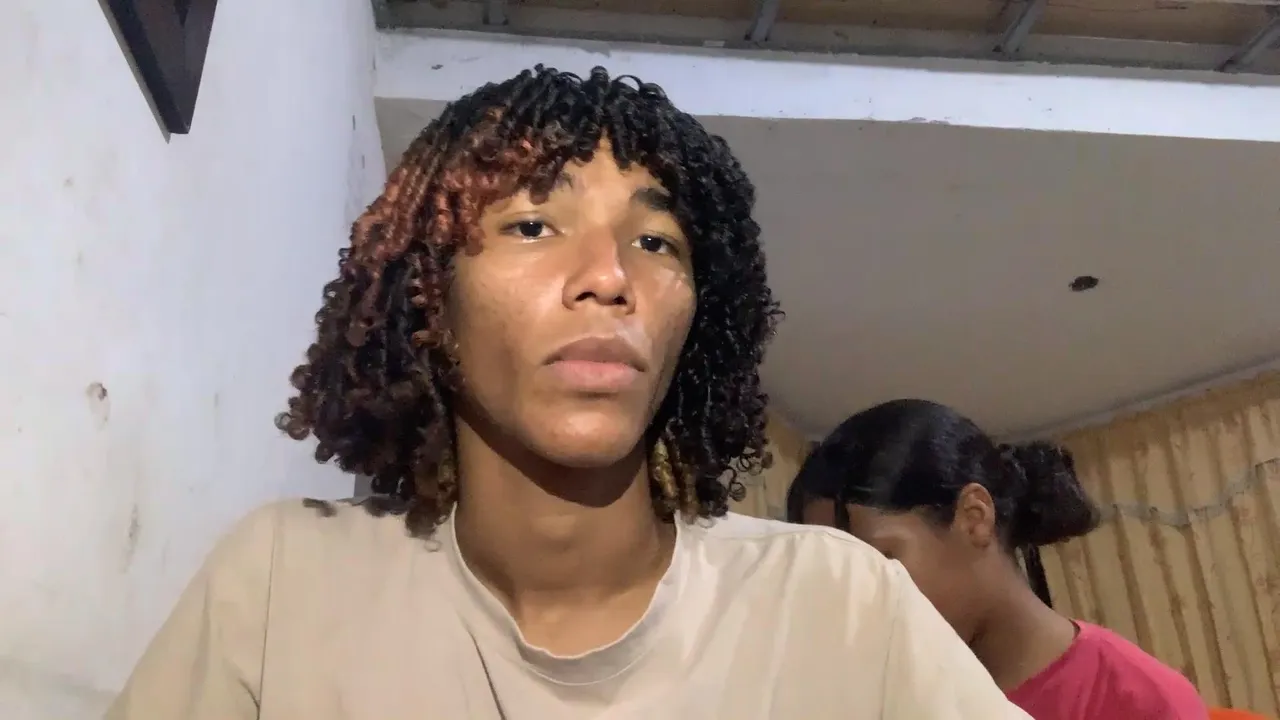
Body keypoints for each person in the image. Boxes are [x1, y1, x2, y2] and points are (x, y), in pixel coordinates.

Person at [106, 68, 1030, 719]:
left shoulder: (838, 603)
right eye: (532, 224)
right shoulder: (281, 583)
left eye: (655, 242)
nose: (608, 277)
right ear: (428, 297)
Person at [788, 398, 1209, 720]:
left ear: (974, 517)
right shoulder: (881, 698)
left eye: (881, 562)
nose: (857, 602)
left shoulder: (1136, 699)